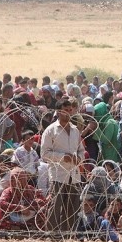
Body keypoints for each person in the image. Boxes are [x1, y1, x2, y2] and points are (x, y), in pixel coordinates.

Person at [41, 99, 85, 234]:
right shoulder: (50, 131)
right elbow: (44, 154)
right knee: (56, 205)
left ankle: (68, 234)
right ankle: (52, 234)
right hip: (58, 173)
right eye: (66, 110)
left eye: (70, 110)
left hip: (73, 173)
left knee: (72, 206)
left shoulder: (75, 130)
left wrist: (79, 159)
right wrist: (62, 157)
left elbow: (81, 150)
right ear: (58, 112)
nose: (68, 113)